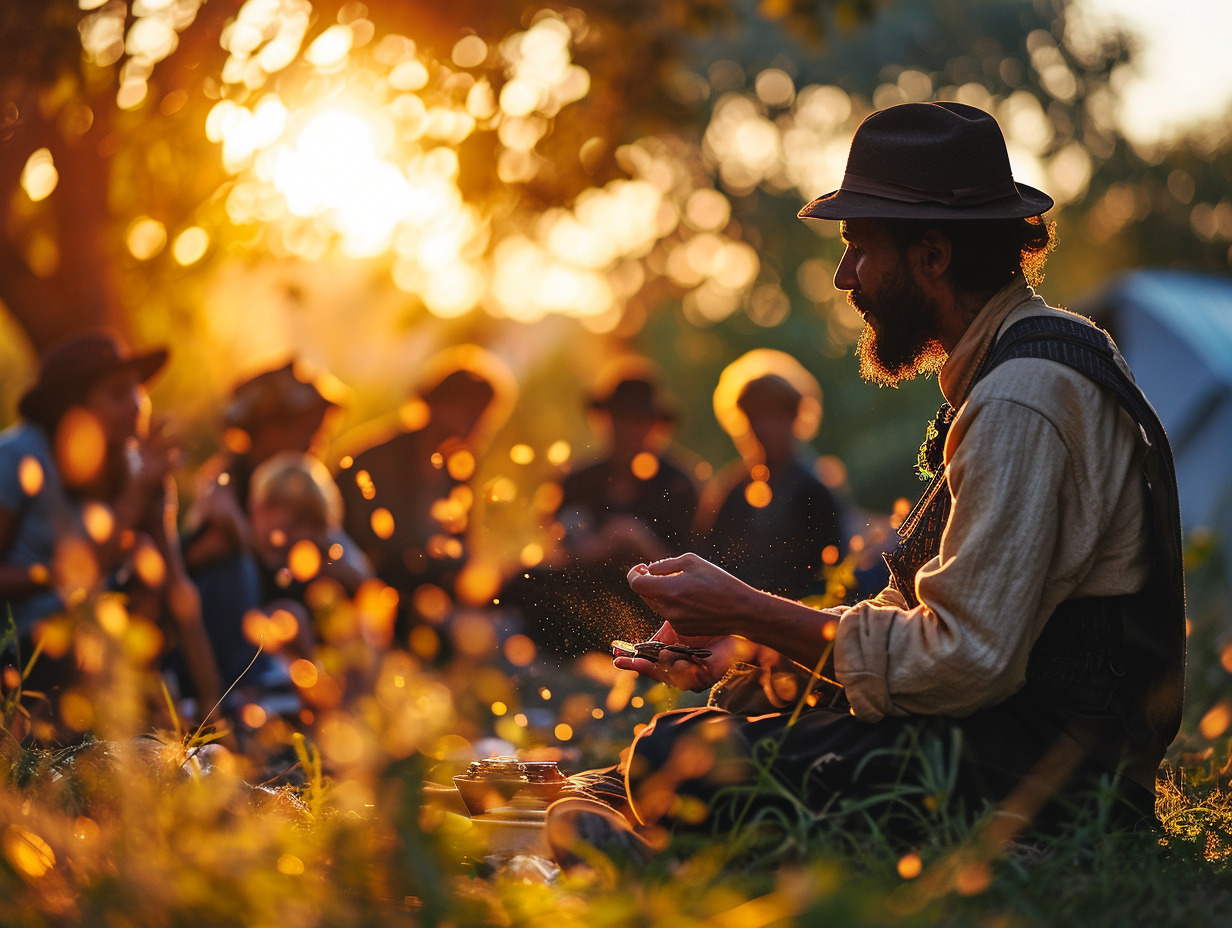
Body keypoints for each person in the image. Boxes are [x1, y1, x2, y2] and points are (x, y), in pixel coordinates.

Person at [546, 101, 1186, 865]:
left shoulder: (1022, 396)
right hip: (1004, 733)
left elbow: (962, 661)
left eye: (858, 246)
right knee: (663, 757)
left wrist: (749, 607)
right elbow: (922, 621)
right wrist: (757, 649)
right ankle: (634, 827)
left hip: (1048, 772)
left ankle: (665, 864)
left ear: (934, 254)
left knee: (671, 758)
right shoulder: (1018, 367)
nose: (847, 276)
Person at [0, 331, 222, 740]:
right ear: (74, 408)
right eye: (118, 393)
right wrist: (51, 576)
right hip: (26, 650)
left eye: (138, 390)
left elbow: (179, 590)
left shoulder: (140, 467)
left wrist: (215, 711)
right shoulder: (17, 458)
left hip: (100, 642)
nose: (137, 403)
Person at [507, 359, 700, 655]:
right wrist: (585, 547)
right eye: (621, 418)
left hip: (649, 599)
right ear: (603, 420)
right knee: (528, 581)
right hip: (588, 591)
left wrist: (639, 543)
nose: (629, 430)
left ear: (656, 426)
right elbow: (553, 543)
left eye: (639, 420)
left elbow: (696, 569)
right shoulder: (578, 480)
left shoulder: (679, 485)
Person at [336, 345, 516, 645]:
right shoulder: (377, 461)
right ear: (436, 403)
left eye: (484, 413)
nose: (478, 423)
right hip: (375, 584)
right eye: (470, 410)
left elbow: (459, 542)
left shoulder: (456, 467)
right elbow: (376, 546)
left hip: (425, 585)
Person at [696, 352, 843, 601]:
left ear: (795, 418)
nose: (763, 428)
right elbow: (708, 559)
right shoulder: (732, 490)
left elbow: (831, 576)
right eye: (755, 416)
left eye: (775, 416)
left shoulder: (814, 494)